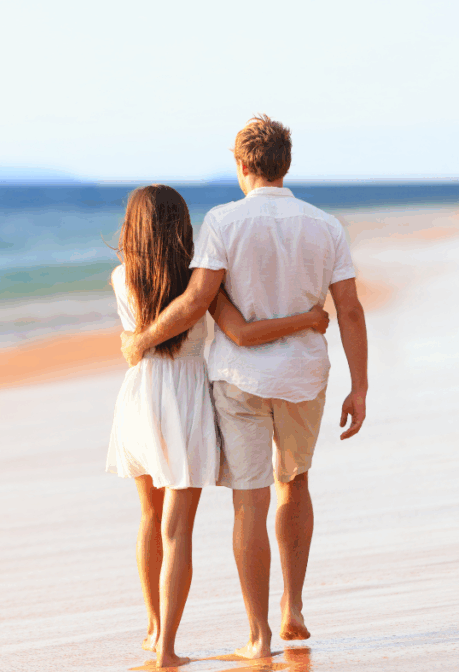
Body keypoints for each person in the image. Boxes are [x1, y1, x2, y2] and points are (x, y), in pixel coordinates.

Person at [120, 116, 369, 661]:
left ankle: (258, 634)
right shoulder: (326, 225)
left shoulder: (224, 221)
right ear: (286, 163)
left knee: (247, 502)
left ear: (241, 165)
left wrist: (142, 340)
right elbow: (348, 308)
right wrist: (361, 387)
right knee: (296, 481)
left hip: (239, 378)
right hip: (304, 376)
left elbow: (196, 300)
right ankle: (293, 605)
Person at [107, 184, 330, 669]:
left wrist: (137, 341)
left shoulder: (121, 276)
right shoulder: (200, 281)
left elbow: (133, 337)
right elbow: (241, 333)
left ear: (132, 228)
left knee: (150, 516)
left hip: (140, 397)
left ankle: (152, 627)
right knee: (177, 527)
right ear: (181, 225)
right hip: (185, 398)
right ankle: (167, 646)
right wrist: (310, 318)